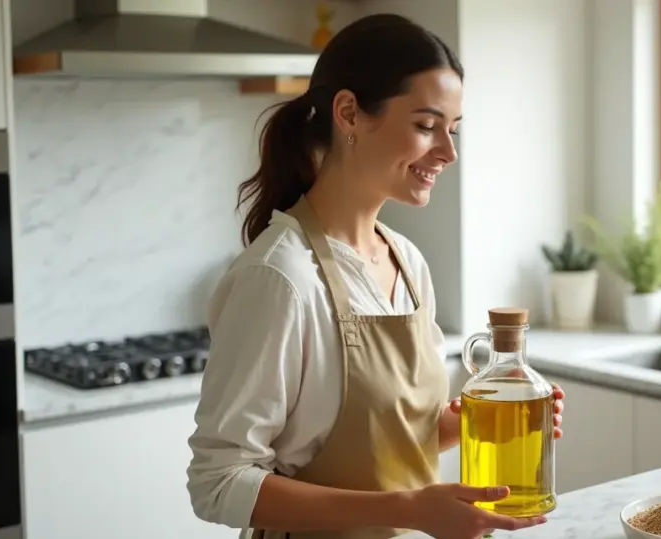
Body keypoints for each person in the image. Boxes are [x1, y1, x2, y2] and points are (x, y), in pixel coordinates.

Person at [185, 13, 566, 539]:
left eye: (452, 130)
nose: (448, 152)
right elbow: (218, 483)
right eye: (426, 126)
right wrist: (409, 510)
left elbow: (386, 443)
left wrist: (480, 426)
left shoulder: (407, 263)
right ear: (349, 114)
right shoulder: (280, 277)